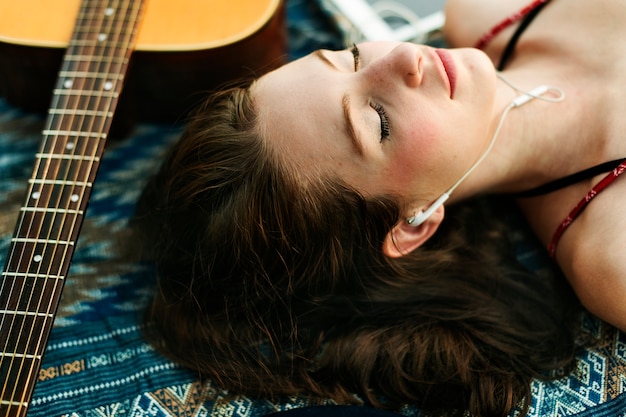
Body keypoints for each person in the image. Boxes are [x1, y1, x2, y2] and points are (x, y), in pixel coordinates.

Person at [131, 0, 626, 415]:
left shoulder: (486, 7)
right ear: (412, 225)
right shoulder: (613, 256)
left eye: (348, 58)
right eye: (378, 122)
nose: (404, 56)